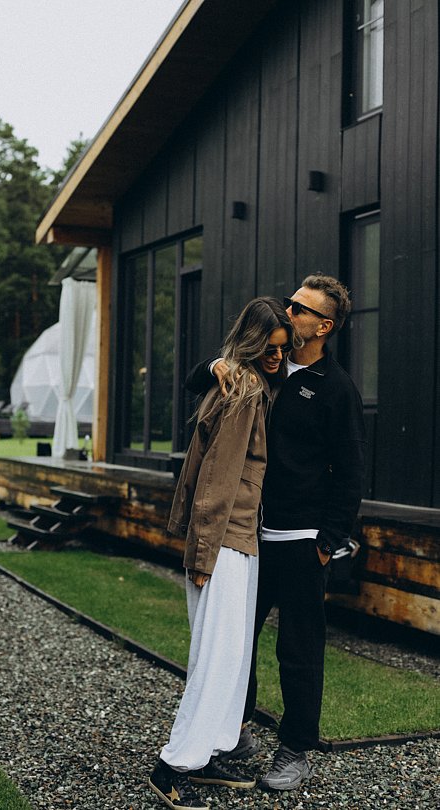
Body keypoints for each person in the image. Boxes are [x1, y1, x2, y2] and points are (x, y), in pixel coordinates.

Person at [186, 274, 366, 791]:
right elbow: (197, 380)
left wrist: (328, 541)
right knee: (235, 641)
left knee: (299, 649)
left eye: (300, 308)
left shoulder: (337, 389)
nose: (288, 311)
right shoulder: (268, 366)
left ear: (324, 326)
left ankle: (295, 749)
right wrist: (215, 364)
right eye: (289, 303)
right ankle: (233, 731)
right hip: (250, 537)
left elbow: (351, 472)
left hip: (303, 542)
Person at [149, 298, 299, 810]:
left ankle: (207, 752)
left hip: (242, 539)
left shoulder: (249, 382)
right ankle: (173, 766)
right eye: (271, 349)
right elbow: (217, 476)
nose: (278, 358)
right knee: (218, 658)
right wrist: (204, 553)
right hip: (224, 543)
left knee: (231, 656)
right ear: (253, 344)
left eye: (284, 350)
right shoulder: (245, 390)